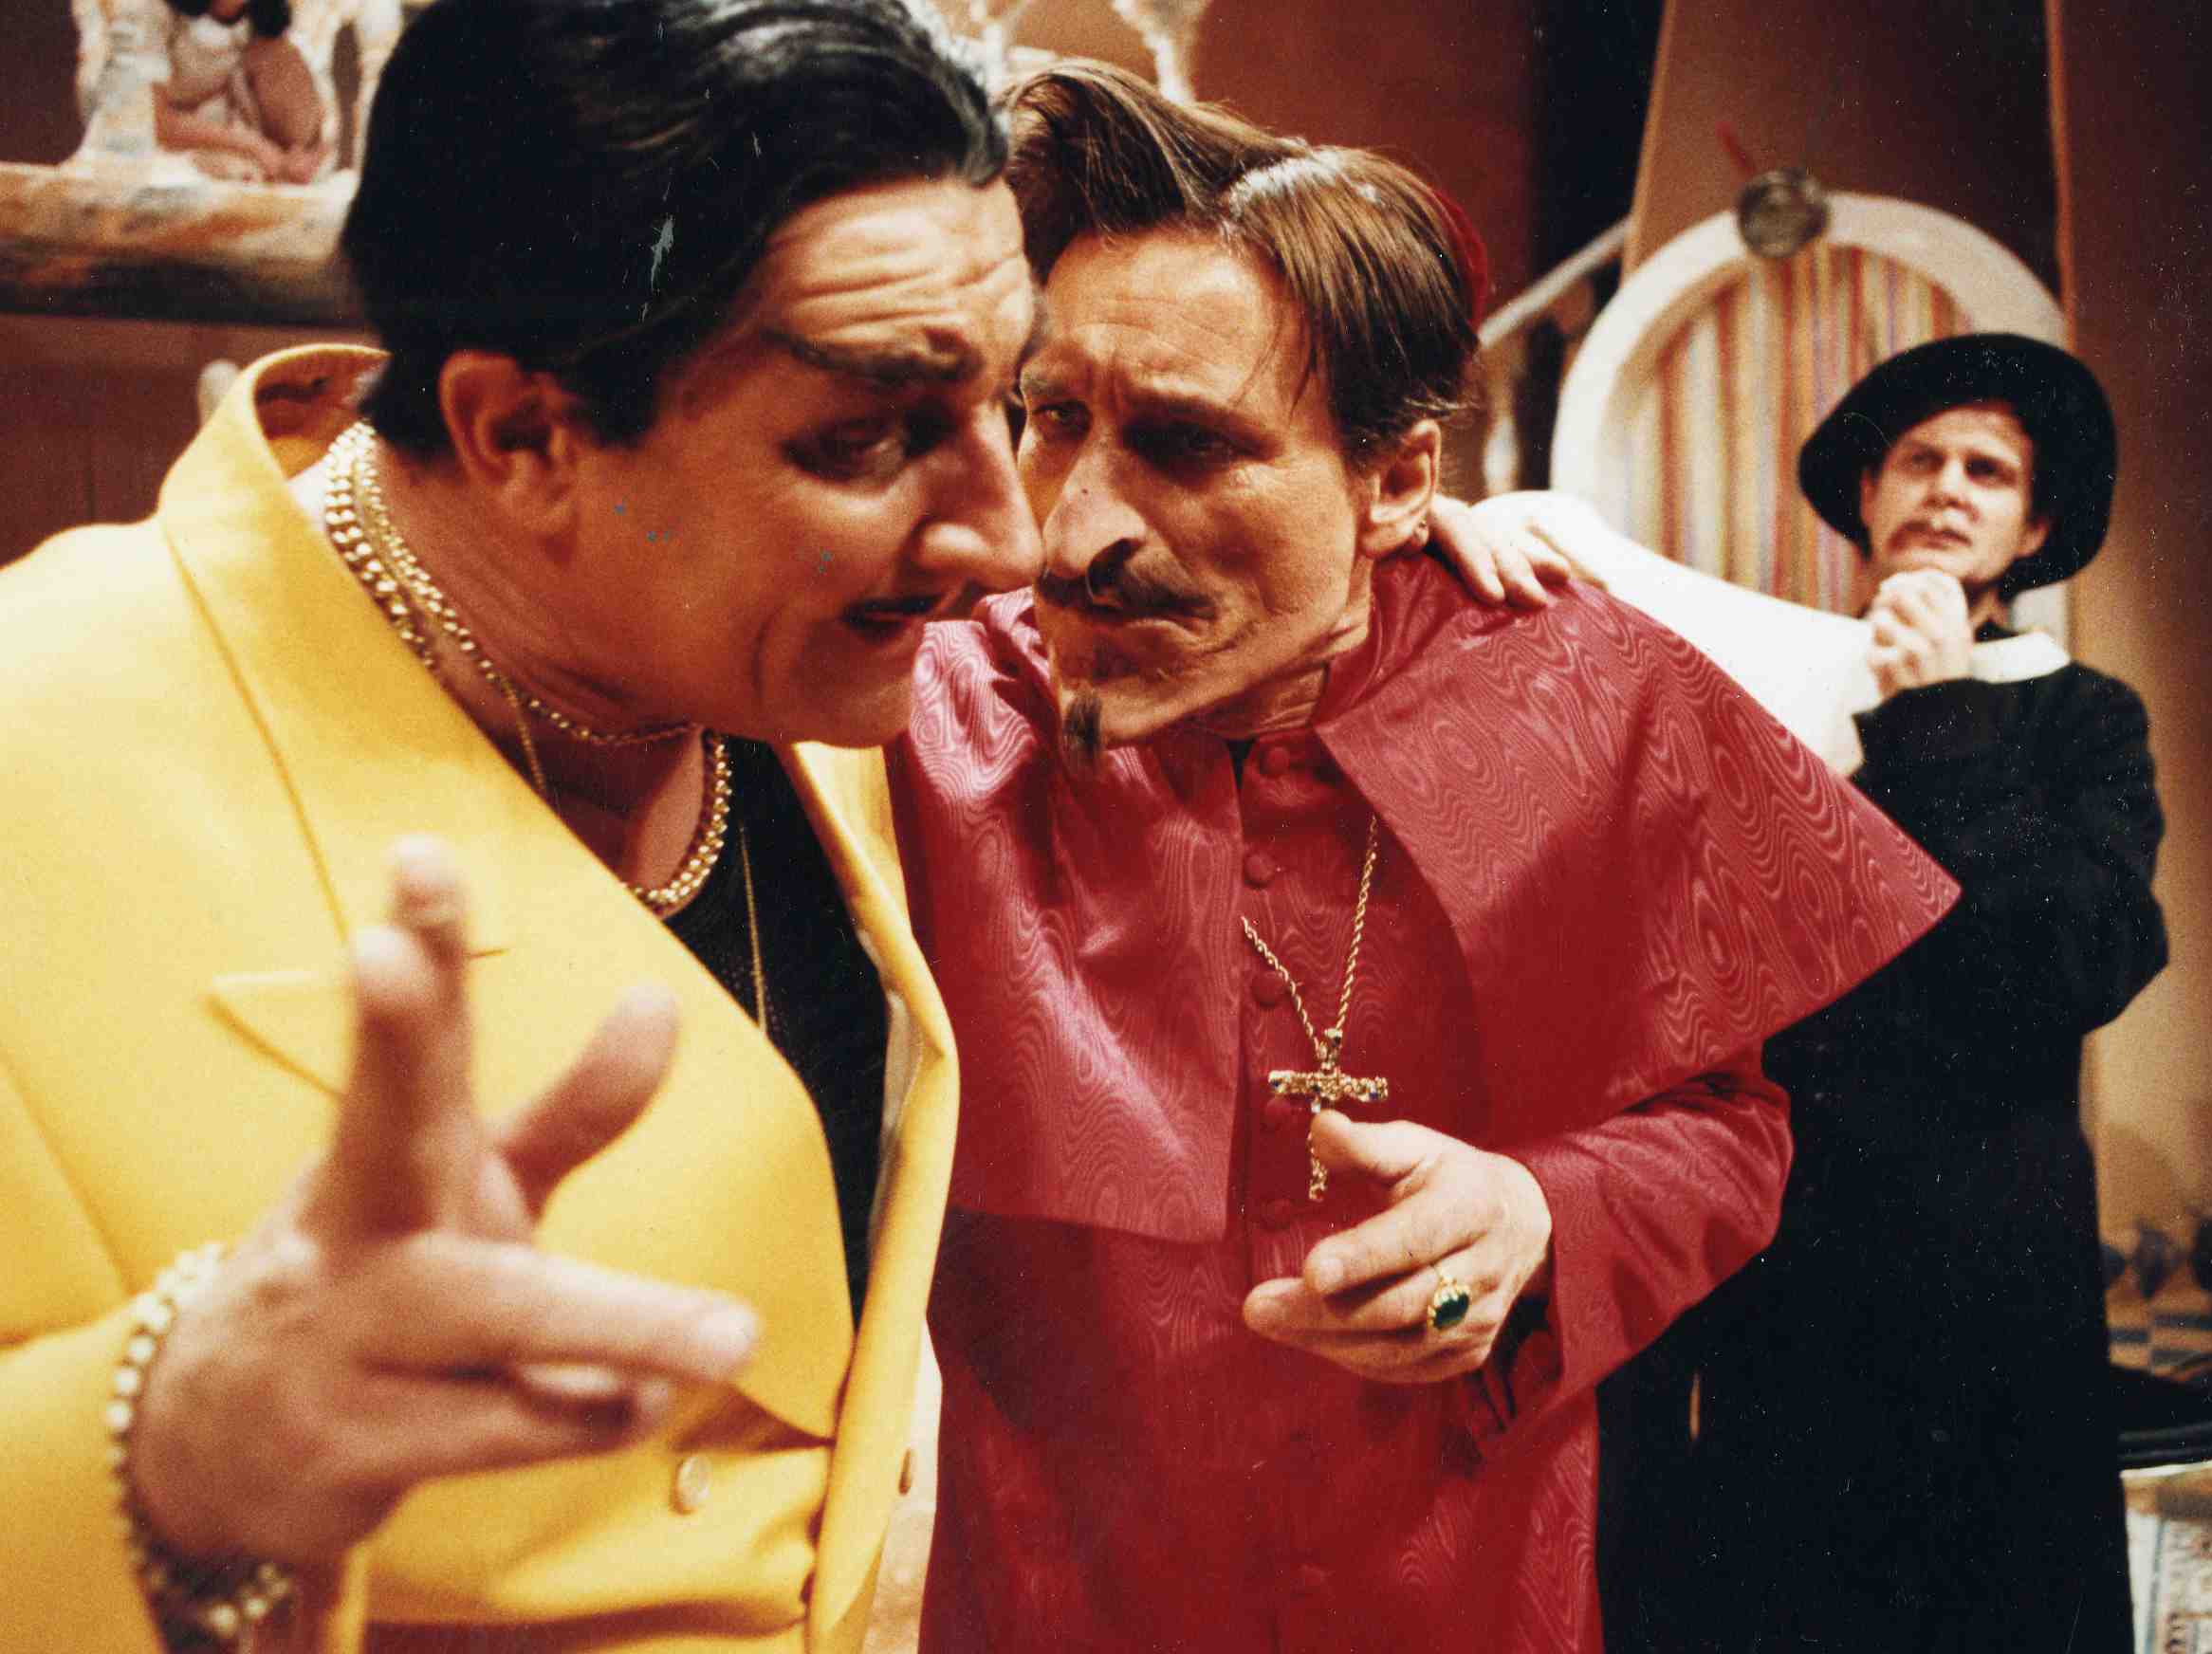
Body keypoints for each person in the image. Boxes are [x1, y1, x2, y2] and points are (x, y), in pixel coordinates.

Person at [0, 2, 1041, 1647]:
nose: (1009, 537)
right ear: (524, 435)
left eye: (1013, 401)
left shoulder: (822, 669)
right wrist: (170, 1452)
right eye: (865, 437)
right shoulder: (32, 749)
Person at [885, 66, 1959, 1653]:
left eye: (1184, 443)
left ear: (1395, 480)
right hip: (1062, 1593)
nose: (1072, 532)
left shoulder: (1584, 693)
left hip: (1464, 1583)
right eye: (1053, 421)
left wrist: (1543, 1215)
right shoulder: (918, 708)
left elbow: (1726, 1129)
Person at [1659, 335, 2170, 1652]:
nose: (1946, 487)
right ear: (1867, 495)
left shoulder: (2081, 717)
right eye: (1918, 460)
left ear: (2033, 527)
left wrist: (1938, 717)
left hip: (1986, 1234)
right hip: (1793, 1221)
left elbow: (2078, 963)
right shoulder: (1773, 693)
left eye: (1986, 470)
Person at [153, 0, 327, 185]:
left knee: (279, 56)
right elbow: (156, 122)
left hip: (235, 136)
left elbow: (309, 135)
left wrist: (299, 156)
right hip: (169, 146)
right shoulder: (155, 11)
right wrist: (252, 145)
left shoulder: (266, 28)